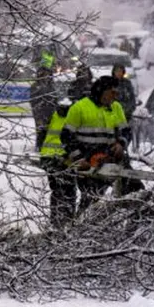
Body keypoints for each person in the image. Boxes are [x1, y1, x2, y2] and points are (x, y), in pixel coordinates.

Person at [61, 75, 126, 213]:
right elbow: (66, 136)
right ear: (103, 91)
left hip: (110, 159)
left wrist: (120, 144)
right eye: (112, 93)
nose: (115, 97)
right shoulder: (80, 107)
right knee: (91, 197)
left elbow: (126, 131)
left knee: (131, 186)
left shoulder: (116, 107)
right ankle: (83, 225)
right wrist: (79, 159)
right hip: (87, 161)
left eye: (117, 93)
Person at [38, 97, 77, 229]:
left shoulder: (53, 115)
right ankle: (67, 221)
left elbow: (41, 135)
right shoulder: (73, 118)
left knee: (57, 191)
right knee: (69, 190)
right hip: (64, 158)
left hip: (48, 157)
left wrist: (43, 155)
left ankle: (56, 221)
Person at [29, 64, 57, 147]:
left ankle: (47, 145)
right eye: (45, 74)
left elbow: (55, 98)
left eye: (48, 74)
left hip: (51, 112)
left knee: (50, 131)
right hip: (40, 113)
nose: (47, 76)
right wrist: (38, 116)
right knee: (41, 130)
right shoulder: (35, 86)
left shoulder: (51, 86)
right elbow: (34, 101)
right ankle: (40, 146)